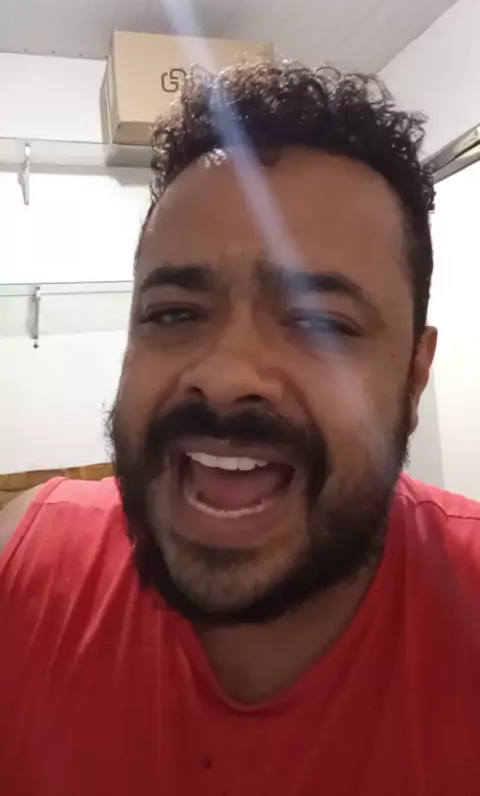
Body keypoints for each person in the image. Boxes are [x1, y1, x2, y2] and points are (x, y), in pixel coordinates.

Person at [0, 61, 479, 796]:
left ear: (414, 379)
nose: (224, 376)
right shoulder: (22, 568)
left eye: (322, 323)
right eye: (174, 313)